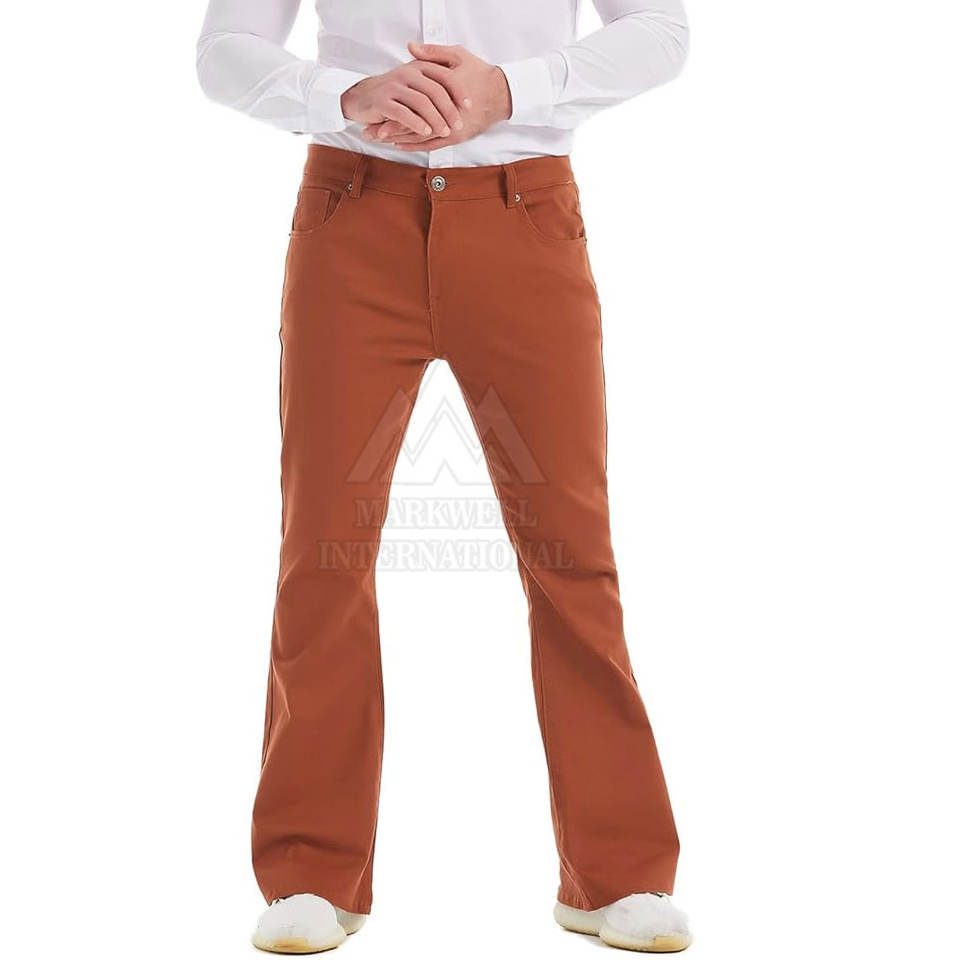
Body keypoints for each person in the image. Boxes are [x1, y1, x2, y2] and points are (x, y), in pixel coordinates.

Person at [197, 0, 691, 952]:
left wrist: (513, 88)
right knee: (323, 552)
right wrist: (344, 95)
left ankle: (615, 874)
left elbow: (662, 32)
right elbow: (224, 50)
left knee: (571, 554)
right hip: (352, 212)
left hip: (524, 212)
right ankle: (310, 875)